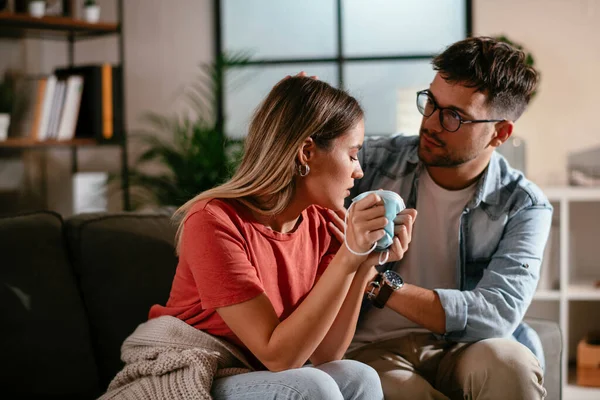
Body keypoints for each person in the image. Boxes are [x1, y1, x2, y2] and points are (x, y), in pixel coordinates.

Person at [100, 75, 417, 400]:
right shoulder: (213, 220)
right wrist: (347, 258)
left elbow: (326, 354)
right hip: (192, 369)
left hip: (255, 376)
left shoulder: (323, 224)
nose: (359, 170)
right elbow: (278, 356)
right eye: (352, 154)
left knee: (359, 375)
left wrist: (363, 264)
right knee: (311, 387)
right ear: (307, 152)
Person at [344, 36, 552, 400]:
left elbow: (497, 313)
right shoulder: (372, 161)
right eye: (431, 103)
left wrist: (377, 284)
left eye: (455, 116)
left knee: (511, 365)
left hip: (465, 348)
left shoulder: (524, 205)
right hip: (371, 348)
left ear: (500, 133)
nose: (432, 124)